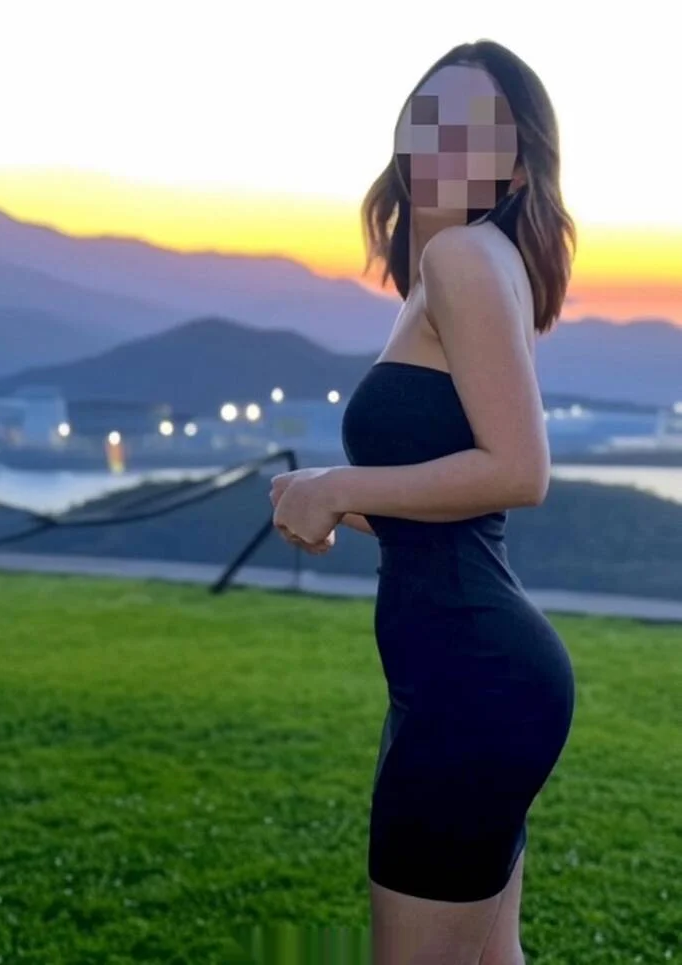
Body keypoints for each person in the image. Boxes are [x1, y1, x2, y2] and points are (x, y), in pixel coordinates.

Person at [269, 38, 577, 965]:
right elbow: (455, 501)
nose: (443, 138)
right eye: (428, 114)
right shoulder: (457, 267)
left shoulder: (464, 258)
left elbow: (518, 471)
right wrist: (335, 501)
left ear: (515, 166)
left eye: (475, 125)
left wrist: (339, 483)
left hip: (471, 679)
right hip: (467, 675)